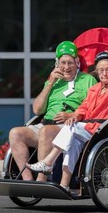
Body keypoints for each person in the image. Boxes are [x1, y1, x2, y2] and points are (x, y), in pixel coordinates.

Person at [26, 39, 108, 192]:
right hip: (88, 128)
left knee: (71, 128)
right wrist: (74, 115)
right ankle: (64, 185)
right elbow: (83, 107)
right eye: (100, 70)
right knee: (72, 145)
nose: (104, 73)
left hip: (104, 129)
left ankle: (48, 162)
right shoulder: (94, 89)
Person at [9, 41, 97, 181]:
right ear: (57, 64)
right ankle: (27, 179)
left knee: (46, 131)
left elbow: (95, 108)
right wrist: (50, 82)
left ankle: (41, 179)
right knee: (15, 133)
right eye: (62, 63)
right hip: (45, 125)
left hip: (68, 126)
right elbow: (38, 110)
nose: (66, 67)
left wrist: (73, 114)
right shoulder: (53, 82)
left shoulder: (88, 80)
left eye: (70, 63)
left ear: (77, 62)